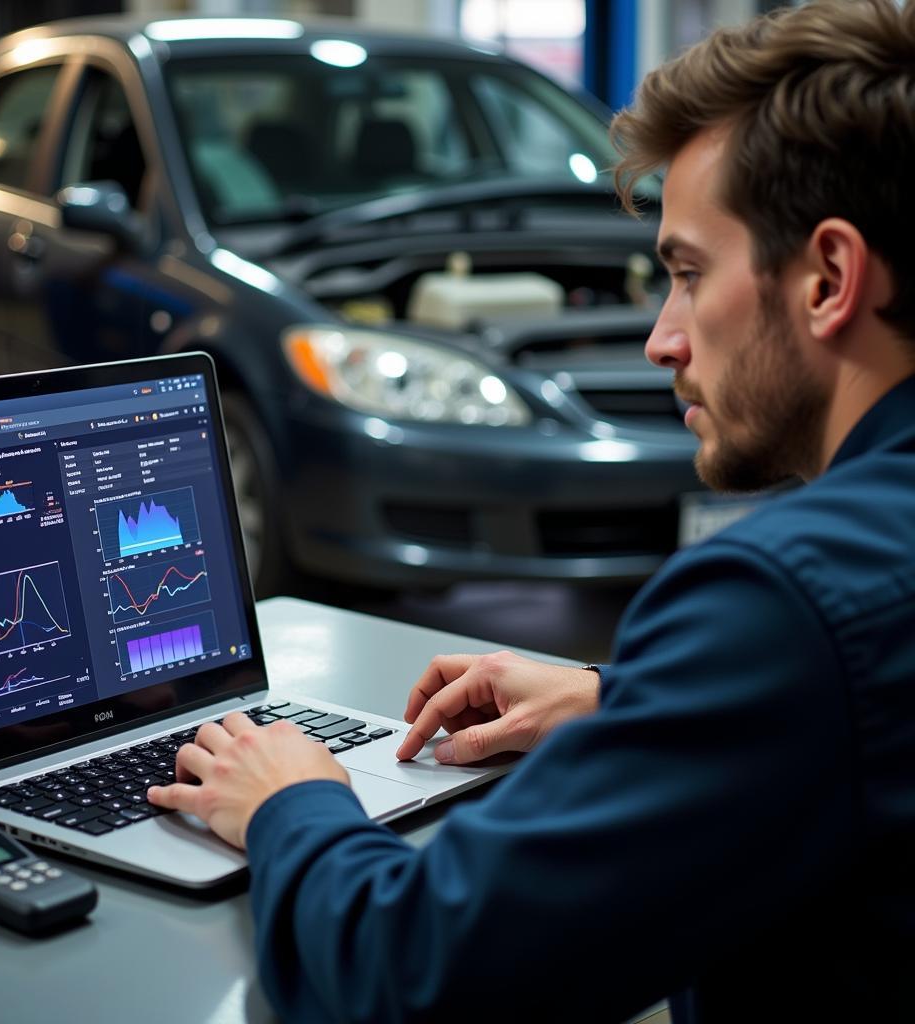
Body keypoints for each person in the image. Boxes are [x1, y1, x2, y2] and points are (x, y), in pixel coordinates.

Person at [148, 1, 915, 1019]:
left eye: (687, 275)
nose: (661, 339)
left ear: (828, 277)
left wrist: (293, 800)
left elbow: (412, 974)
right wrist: (636, 703)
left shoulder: (781, 601)